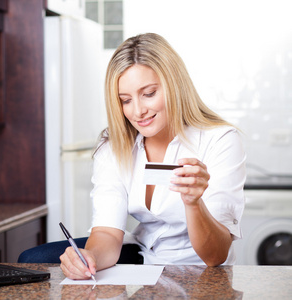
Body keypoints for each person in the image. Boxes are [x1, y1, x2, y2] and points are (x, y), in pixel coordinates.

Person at [19, 33, 246, 280]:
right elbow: (107, 233)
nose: (138, 111)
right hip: (144, 259)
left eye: (148, 93)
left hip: (201, 269)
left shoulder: (220, 140)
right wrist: (89, 257)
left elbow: (215, 255)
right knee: (32, 261)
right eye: (125, 100)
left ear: (175, 85)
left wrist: (194, 203)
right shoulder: (114, 146)